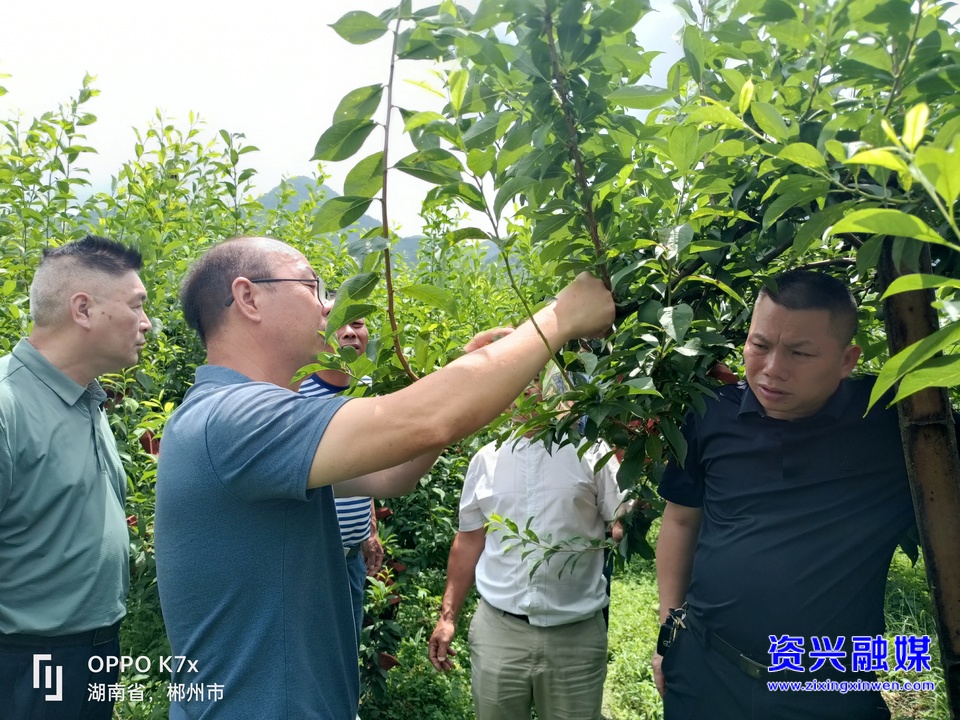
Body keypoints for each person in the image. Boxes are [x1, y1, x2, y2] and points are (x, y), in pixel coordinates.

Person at [153, 236, 614, 720]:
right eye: (311, 286)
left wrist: (471, 375)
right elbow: (425, 420)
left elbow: (392, 472)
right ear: (248, 297)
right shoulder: (233, 419)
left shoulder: (244, 419)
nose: (328, 306)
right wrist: (560, 316)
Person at [653, 269, 918, 720]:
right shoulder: (712, 412)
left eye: (800, 353)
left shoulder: (896, 423)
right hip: (706, 669)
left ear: (847, 360)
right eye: (759, 345)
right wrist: (668, 634)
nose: (773, 369)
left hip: (827, 686)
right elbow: (680, 519)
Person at [0, 235, 151, 719]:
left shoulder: (85, 397)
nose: (147, 323)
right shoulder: (7, 404)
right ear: (83, 309)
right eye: (136, 305)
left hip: (93, 651)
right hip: (26, 660)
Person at [428, 380, 630, 720]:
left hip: (576, 637)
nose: (528, 389)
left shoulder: (591, 452)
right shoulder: (487, 459)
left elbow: (622, 521)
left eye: (537, 379)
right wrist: (447, 617)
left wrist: (629, 512)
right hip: (499, 632)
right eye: (517, 379)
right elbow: (469, 540)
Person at [298, 313, 383, 644]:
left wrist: (370, 529)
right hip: (306, 565)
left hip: (350, 561)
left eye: (357, 323)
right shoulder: (294, 391)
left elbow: (365, 464)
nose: (349, 332)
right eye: (336, 323)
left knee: (346, 656)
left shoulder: (368, 388)